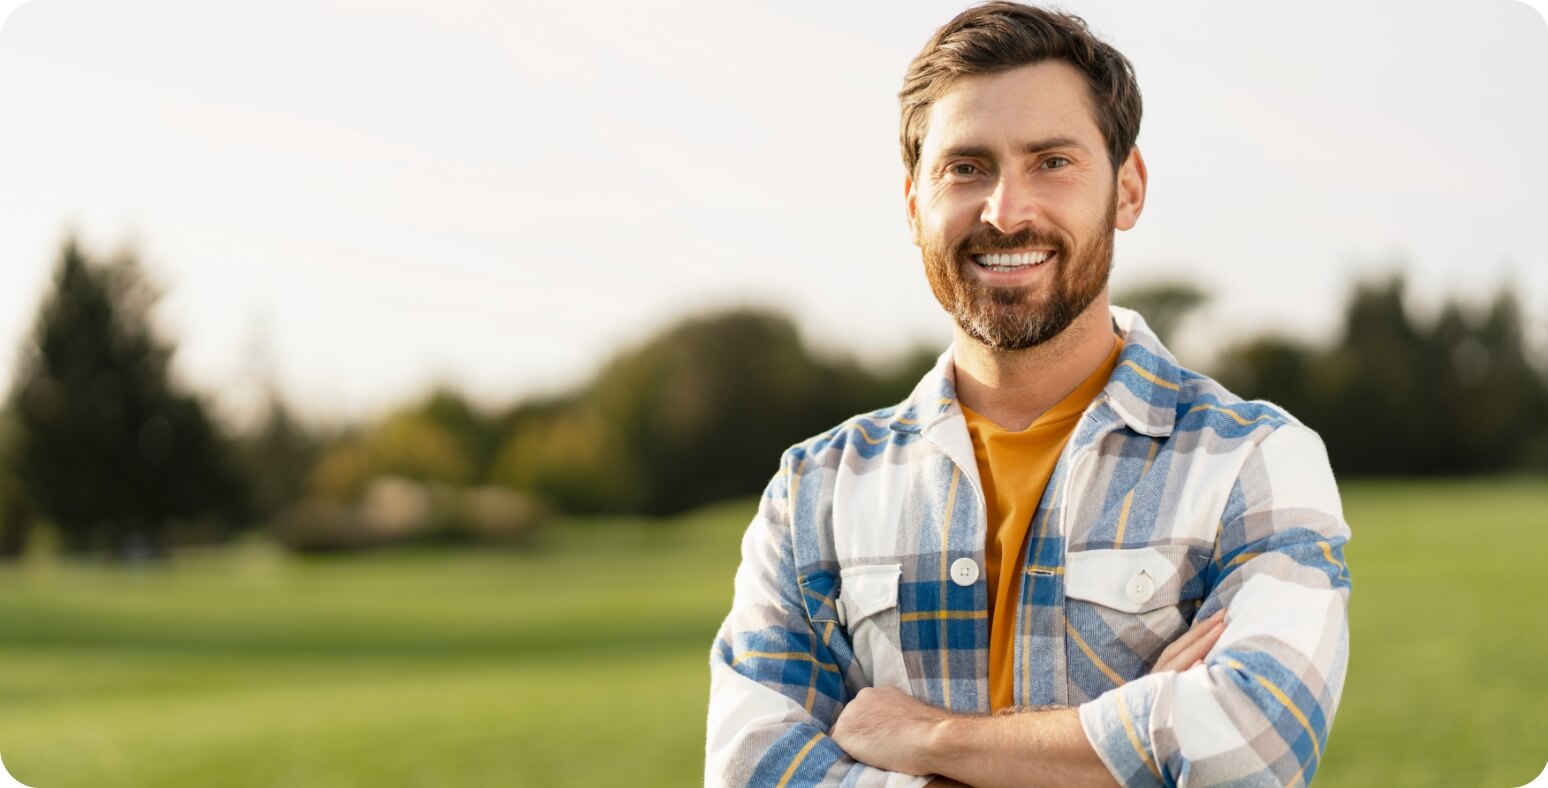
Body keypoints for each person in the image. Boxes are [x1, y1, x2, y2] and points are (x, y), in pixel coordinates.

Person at [705, 3, 1351, 786]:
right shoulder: (812, 494)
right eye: (966, 167)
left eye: (1052, 161)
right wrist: (1130, 745)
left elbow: (1253, 747)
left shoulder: (1253, 461)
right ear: (914, 205)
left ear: (1128, 189)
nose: (1006, 212)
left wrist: (934, 741)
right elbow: (753, 770)